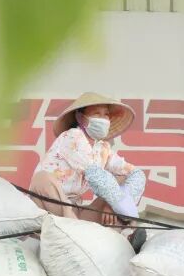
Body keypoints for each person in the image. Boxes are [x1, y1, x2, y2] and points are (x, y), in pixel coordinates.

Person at [27, 92, 147, 229]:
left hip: (75, 211)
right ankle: (75, 231)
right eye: (97, 114)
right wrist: (118, 202)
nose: (103, 119)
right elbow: (95, 174)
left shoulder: (102, 147)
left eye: (106, 114)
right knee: (43, 179)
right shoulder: (72, 136)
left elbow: (131, 173)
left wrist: (111, 205)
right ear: (81, 118)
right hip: (50, 204)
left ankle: (127, 231)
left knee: (119, 186)